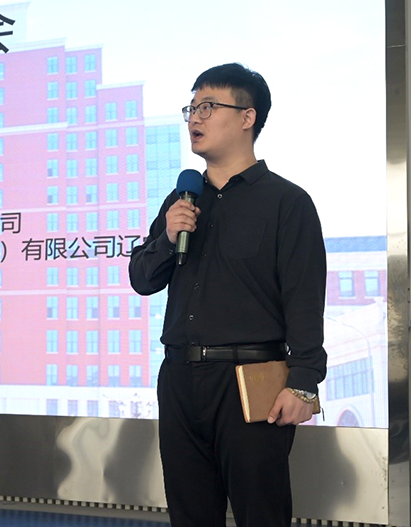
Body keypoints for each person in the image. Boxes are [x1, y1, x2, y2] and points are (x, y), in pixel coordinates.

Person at [128, 63, 327, 527]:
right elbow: (142, 279)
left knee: (261, 513)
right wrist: (167, 237)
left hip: (251, 380)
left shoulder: (287, 202)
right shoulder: (182, 200)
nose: (195, 118)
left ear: (246, 117)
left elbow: (304, 297)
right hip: (180, 379)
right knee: (190, 514)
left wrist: (304, 380)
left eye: (208, 106)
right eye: (191, 108)